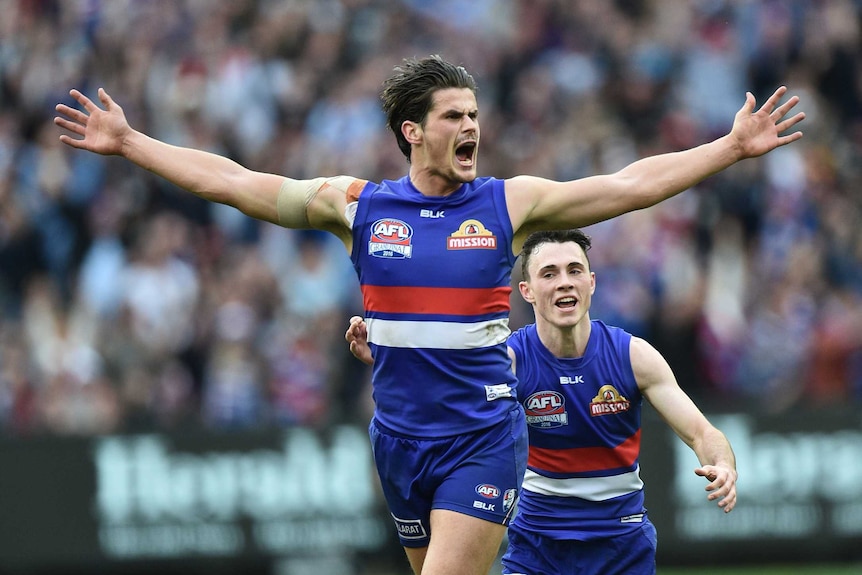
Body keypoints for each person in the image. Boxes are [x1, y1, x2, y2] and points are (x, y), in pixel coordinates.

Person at [54, 55, 792, 575]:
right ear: (413, 130)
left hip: (483, 440)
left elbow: (628, 184)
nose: (472, 126)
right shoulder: (358, 207)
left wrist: (727, 148)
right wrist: (130, 143)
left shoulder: (509, 203)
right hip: (400, 444)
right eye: (454, 116)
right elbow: (238, 182)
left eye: (475, 113)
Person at [345, 228, 738, 575]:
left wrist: (722, 465)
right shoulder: (508, 360)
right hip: (537, 549)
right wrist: (387, 360)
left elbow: (702, 432)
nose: (564, 282)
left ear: (592, 282)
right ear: (527, 291)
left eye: (574, 270)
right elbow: (437, 389)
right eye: (549, 274)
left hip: (622, 545)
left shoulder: (633, 356)